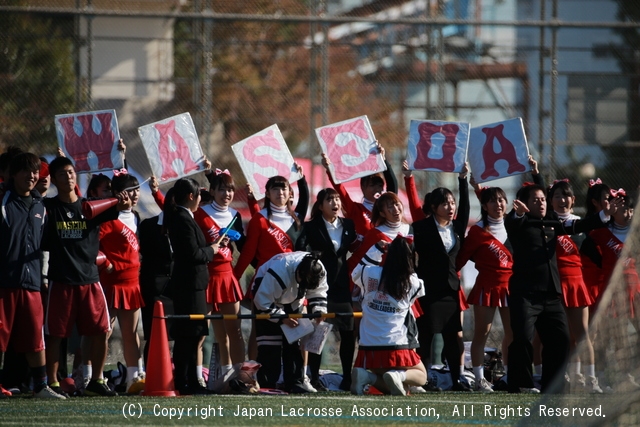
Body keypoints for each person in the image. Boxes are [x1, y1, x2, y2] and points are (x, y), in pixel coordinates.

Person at [505, 182, 618, 394]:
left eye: (542, 199)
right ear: (525, 204)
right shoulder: (519, 223)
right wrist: (517, 214)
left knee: (560, 339)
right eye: (535, 200)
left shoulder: (551, 223)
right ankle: (521, 384)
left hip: (551, 294)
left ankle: (552, 385)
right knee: (522, 338)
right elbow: (512, 222)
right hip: (525, 293)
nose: (541, 203)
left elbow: (577, 227)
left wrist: (603, 216)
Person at [42, 156, 130, 397]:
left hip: (90, 280)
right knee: (56, 335)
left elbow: (121, 196)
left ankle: (97, 380)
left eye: (71, 172)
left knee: (101, 331)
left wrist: (122, 200)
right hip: (61, 281)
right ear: (55, 181)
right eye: (62, 174)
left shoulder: (91, 207)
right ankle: (53, 382)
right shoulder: (49, 208)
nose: (69, 176)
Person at [0, 152, 65, 399]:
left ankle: (41, 386)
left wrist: (44, 278)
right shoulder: (3, 200)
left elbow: (45, 244)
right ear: (13, 174)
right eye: (26, 171)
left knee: (35, 337)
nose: (32, 176)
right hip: (4, 282)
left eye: (35, 171)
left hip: (32, 284)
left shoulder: (40, 205)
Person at [295, 188, 359, 391]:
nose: (335, 203)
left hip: (342, 286)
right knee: (318, 332)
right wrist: (311, 257)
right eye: (330, 199)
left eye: (337, 199)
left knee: (348, 332)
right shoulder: (311, 226)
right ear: (320, 205)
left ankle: (347, 377)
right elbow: (300, 247)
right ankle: (314, 377)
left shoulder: (348, 225)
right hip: (319, 287)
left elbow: (356, 248)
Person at [350, 236, 427, 396]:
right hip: (396, 345)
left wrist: (377, 249)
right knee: (421, 376)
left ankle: (367, 376)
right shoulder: (413, 283)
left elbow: (356, 272)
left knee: (400, 389)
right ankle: (396, 375)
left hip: (368, 346)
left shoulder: (369, 273)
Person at [581, 187, 640, 391]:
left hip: (635, 289)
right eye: (622, 207)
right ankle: (614, 376)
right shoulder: (600, 233)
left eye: (630, 208)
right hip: (612, 291)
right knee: (616, 335)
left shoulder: (636, 232)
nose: (627, 212)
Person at [163, 177, 218, 395]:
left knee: (194, 334)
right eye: (198, 197)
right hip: (188, 284)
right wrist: (211, 250)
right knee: (189, 334)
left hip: (194, 284)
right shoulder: (182, 219)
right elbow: (192, 253)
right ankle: (184, 381)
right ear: (191, 196)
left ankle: (191, 380)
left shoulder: (184, 217)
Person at [456, 185, 513, 393]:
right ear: (484, 205)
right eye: (492, 201)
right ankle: (480, 379)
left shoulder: (514, 223)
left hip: (511, 287)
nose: (498, 205)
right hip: (486, 286)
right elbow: (460, 258)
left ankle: (509, 376)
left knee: (512, 333)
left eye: (501, 200)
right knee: (482, 332)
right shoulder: (478, 230)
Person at [546, 179, 601, 393]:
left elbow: (597, 256)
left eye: (566, 196)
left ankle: (590, 379)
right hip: (554, 284)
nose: (562, 200)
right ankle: (560, 375)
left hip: (576, 284)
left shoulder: (581, 224)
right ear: (550, 200)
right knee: (558, 336)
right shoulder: (546, 223)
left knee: (582, 335)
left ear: (573, 199)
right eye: (557, 196)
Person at [194, 169, 247, 380]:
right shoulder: (200, 213)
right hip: (206, 275)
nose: (227, 194)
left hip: (227, 276)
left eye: (230, 190)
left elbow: (244, 246)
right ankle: (197, 377)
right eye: (222, 190)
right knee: (201, 332)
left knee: (234, 331)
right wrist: (212, 245)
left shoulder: (236, 215)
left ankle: (238, 376)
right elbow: (194, 245)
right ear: (213, 191)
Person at [251, 251, 328, 393]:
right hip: (267, 295)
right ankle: (267, 383)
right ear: (299, 272)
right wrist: (281, 318)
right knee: (269, 344)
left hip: (294, 301)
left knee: (294, 343)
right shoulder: (280, 271)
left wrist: (319, 310)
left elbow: (319, 291)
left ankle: (295, 382)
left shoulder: (319, 269)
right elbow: (261, 300)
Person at [98, 170, 146, 394]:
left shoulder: (135, 216)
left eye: (136, 190)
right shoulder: (107, 217)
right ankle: (93, 377)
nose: (134, 195)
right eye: (129, 191)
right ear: (117, 194)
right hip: (111, 282)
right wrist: (107, 263)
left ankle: (135, 377)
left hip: (132, 282)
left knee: (131, 332)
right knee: (103, 332)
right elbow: (93, 247)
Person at [321, 144, 398, 239]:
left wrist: (383, 160)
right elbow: (340, 190)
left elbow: (393, 186)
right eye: (372, 185)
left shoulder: (387, 207)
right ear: (362, 187)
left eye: (380, 185)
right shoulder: (355, 209)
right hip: (363, 253)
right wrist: (329, 169)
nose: (377, 189)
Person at [138, 187, 175, 366]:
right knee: (154, 334)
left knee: (180, 335)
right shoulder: (148, 225)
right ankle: (151, 372)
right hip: (154, 288)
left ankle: (178, 376)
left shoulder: (190, 225)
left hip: (177, 288)